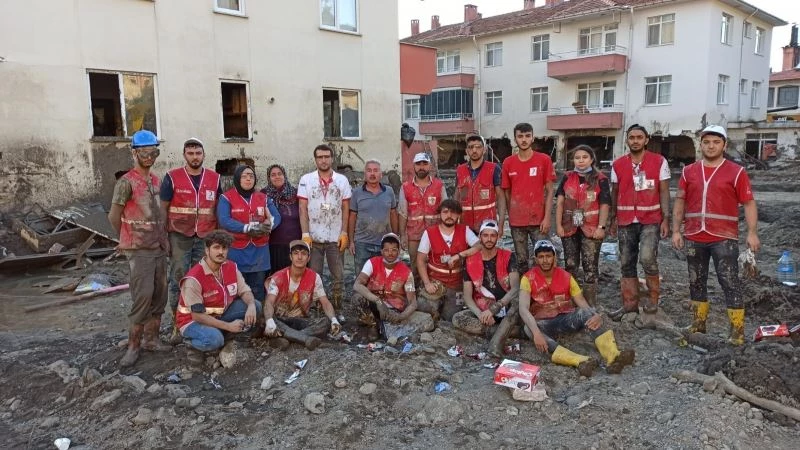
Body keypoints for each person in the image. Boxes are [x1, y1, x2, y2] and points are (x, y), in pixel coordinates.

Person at [671, 125, 760, 346]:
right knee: (696, 281)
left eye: (716, 142)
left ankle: (737, 331)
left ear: (724, 145)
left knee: (729, 281)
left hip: (724, 236)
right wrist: (675, 230)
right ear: (701, 145)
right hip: (694, 234)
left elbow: (748, 203)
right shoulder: (689, 171)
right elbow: (680, 200)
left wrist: (752, 233)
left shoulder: (736, 172)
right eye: (707, 142)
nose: (711, 146)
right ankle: (698, 324)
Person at [519, 240, 635, 376]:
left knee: (588, 313)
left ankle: (613, 356)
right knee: (529, 329)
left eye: (548, 256)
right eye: (541, 257)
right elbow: (523, 308)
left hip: (566, 318)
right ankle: (580, 361)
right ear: (536, 259)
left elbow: (581, 302)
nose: (545, 260)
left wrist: (594, 314)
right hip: (544, 323)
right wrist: (536, 333)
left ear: (554, 257)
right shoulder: (528, 278)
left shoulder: (566, 277)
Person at [107, 130, 171, 368]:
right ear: (134, 152)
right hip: (139, 249)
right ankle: (134, 345)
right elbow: (114, 216)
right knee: (142, 296)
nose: (148, 156)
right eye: (143, 152)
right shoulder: (126, 182)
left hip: (158, 247)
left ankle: (152, 340)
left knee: (159, 295)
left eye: (153, 152)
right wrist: (126, 238)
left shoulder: (157, 180)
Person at [160, 137, 220, 344]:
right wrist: (163, 236)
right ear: (184, 155)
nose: (195, 157)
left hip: (205, 236)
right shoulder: (172, 177)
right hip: (179, 235)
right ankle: (178, 324)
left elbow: (217, 209)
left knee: (200, 280)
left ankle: (199, 320)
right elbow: (163, 208)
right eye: (190, 153)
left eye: (198, 153)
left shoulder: (215, 178)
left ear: (204, 155)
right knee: (178, 279)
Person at [609, 124, 671, 319]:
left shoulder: (659, 161)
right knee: (626, 263)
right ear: (627, 140)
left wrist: (666, 218)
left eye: (639, 137)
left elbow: (663, 191)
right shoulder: (618, 164)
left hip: (651, 219)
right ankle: (630, 306)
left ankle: (653, 300)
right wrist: (612, 218)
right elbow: (615, 192)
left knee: (647, 258)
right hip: (626, 220)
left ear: (646, 140)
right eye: (632, 137)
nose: (635, 141)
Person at [175, 230, 263, 356]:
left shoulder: (231, 267)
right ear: (207, 250)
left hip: (219, 313)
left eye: (224, 248)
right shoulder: (193, 279)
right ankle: (191, 344)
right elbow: (197, 316)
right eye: (216, 247)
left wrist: (251, 306)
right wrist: (228, 326)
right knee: (215, 340)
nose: (221, 252)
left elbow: (245, 291)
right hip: (192, 321)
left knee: (257, 306)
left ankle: (229, 334)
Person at [452, 220, 520, 356]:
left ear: (498, 237)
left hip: (506, 306)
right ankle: (505, 331)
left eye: (492, 235)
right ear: (480, 237)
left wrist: (496, 307)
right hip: (484, 310)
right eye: (485, 235)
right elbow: (467, 296)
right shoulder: (470, 261)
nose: (489, 239)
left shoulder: (508, 256)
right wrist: (481, 315)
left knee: (519, 307)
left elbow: (515, 288)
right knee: (458, 318)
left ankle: (500, 332)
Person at [555, 145, 611, 306]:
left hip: (591, 229)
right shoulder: (567, 177)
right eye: (577, 157)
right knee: (570, 264)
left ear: (592, 159)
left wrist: (601, 227)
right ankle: (572, 303)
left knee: (590, 267)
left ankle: (590, 305)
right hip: (569, 227)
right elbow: (559, 202)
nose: (581, 161)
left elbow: (605, 204)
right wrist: (558, 225)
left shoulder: (600, 179)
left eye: (585, 157)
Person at [298, 144, 352, 310]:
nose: (323, 160)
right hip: (314, 238)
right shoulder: (306, 180)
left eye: (326, 157)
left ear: (332, 158)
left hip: (336, 237)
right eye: (320, 157)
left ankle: (337, 307)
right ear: (315, 159)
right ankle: (316, 306)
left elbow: (345, 208)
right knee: (315, 275)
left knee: (338, 275)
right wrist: (305, 233)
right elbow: (302, 208)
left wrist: (344, 232)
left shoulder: (342, 180)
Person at [217, 165, 281, 302]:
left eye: (251, 176)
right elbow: (224, 220)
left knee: (258, 289)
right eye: (244, 176)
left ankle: (257, 319)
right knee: (235, 290)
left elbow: (276, 216)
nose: (248, 179)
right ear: (237, 179)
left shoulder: (263, 198)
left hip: (259, 255)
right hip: (236, 252)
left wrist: (269, 225)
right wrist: (246, 228)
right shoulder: (226, 198)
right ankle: (237, 320)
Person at [263, 240, 342, 349]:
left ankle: (287, 338)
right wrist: (269, 321)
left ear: (308, 258)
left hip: (300, 321)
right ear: (290, 257)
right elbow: (269, 302)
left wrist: (334, 320)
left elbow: (325, 302)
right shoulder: (278, 277)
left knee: (325, 322)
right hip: (279, 320)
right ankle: (304, 339)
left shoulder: (314, 277)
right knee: (265, 317)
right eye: (296, 253)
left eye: (303, 254)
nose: (299, 257)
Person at [501, 122, 557, 274]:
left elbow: (550, 190)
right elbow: (507, 192)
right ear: (515, 139)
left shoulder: (544, 160)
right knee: (522, 260)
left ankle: (546, 292)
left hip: (538, 221)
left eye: (527, 136)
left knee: (545, 258)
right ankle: (525, 292)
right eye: (520, 136)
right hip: (517, 221)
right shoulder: (508, 163)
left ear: (533, 138)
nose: (524, 140)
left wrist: (547, 218)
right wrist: (510, 215)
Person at [353, 233, 430, 341]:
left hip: (392, 311)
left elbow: (413, 303)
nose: (390, 253)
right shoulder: (372, 263)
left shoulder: (406, 272)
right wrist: (378, 301)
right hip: (374, 305)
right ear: (381, 251)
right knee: (357, 298)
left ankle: (381, 327)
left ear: (399, 252)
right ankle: (372, 325)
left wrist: (401, 317)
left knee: (390, 335)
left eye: (394, 250)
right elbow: (357, 284)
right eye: (386, 250)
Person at [416, 199, 480, 321]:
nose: (449, 216)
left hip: (456, 285)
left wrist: (460, 255)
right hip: (436, 282)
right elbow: (420, 260)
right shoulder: (429, 232)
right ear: (440, 214)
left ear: (458, 215)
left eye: (453, 212)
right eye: (445, 212)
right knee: (425, 310)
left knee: (452, 318)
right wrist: (427, 283)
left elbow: (479, 246)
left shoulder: (465, 230)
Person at [398, 152, 448, 281]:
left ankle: (435, 292)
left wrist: (446, 233)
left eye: (424, 164)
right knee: (415, 266)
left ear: (430, 166)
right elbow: (402, 212)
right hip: (414, 235)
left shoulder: (439, 185)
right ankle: (417, 293)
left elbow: (446, 209)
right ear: (413, 166)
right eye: (418, 164)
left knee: (436, 263)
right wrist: (403, 235)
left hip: (435, 234)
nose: (421, 167)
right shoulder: (406, 187)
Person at [348, 159, 399, 273]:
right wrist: (351, 241)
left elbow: (393, 214)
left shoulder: (389, 191)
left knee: (382, 276)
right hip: (362, 243)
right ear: (365, 174)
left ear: (381, 174)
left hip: (384, 243)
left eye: (375, 171)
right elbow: (352, 217)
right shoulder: (356, 193)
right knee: (362, 277)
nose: (372, 174)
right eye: (369, 170)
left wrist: (395, 237)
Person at [454, 135, 506, 233]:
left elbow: (501, 197)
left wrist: (501, 224)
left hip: (487, 226)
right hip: (465, 226)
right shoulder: (460, 170)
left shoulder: (494, 169)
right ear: (466, 151)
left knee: (486, 249)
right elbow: (456, 197)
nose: (474, 150)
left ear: (485, 149)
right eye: (470, 147)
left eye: (478, 147)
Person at [261, 164, 302, 274]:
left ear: (284, 175)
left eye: (280, 174)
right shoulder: (263, 194)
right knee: (277, 277)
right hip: (273, 245)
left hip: (295, 243)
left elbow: (304, 214)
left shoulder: (296, 193)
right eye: (273, 175)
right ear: (269, 178)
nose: (277, 177)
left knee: (295, 276)